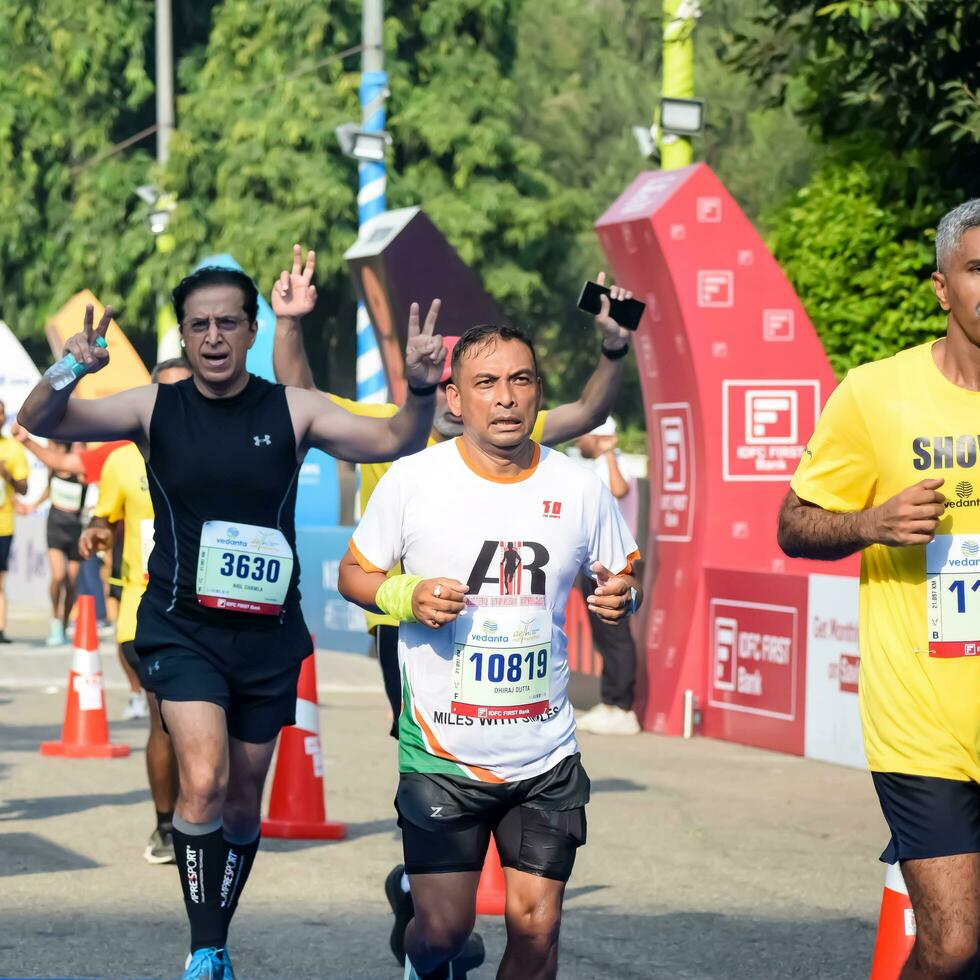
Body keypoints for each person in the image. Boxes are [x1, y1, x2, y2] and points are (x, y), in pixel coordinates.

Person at [17, 246, 444, 980]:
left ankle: (217, 931)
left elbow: (396, 439)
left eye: (227, 323)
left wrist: (421, 389)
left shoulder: (294, 409)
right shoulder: (153, 409)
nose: (213, 337)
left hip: (268, 636)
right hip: (181, 627)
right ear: (184, 336)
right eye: (198, 325)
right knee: (205, 780)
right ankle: (204, 947)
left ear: (251, 330)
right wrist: (69, 367)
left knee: (244, 806)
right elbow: (40, 417)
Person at [338, 323, 642, 980]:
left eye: (520, 380)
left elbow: (622, 575)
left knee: (537, 928)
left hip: (545, 753)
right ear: (455, 400)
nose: (505, 397)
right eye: (486, 383)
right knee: (445, 933)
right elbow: (353, 575)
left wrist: (622, 597)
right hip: (444, 753)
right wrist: (408, 596)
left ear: (537, 392)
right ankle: (416, 937)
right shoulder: (411, 480)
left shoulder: (580, 486)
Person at [273, 248, 635, 738]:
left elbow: (589, 411)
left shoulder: (507, 424)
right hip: (407, 619)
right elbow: (299, 393)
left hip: (507, 627)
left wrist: (614, 349)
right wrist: (290, 324)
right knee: (430, 744)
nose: (453, 395)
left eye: (474, 382)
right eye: (441, 381)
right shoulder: (389, 430)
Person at [777, 199, 980, 980]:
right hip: (920, 719)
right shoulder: (876, 393)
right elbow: (793, 525)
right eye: (975, 269)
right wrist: (873, 521)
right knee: (954, 942)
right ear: (941, 288)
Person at [78, 357, 192, 864]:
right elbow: (103, 519)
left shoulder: (228, 452)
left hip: (216, 611)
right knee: (164, 718)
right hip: (147, 613)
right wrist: (96, 532)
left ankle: (206, 812)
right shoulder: (124, 462)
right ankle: (167, 826)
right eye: (163, 395)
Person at [574, 418, 641, 736]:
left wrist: (610, 453)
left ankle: (623, 708)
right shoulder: (600, 466)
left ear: (600, 438)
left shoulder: (615, 465)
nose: (580, 442)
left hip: (616, 565)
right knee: (604, 635)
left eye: (586, 436)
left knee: (616, 635)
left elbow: (619, 489)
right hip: (598, 563)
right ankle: (611, 703)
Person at [18, 441, 90, 646]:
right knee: (58, 576)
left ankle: (65, 623)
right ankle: (55, 621)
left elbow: (95, 480)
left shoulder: (82, 473)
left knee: (72, 582)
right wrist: (33, 505)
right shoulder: (54, 468)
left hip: (76, 530)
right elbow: (48, 490)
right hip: (55, 529)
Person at [0, 399, 30, 644]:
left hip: (3, 524)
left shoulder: (12, 449)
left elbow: (24, 488)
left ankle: (0, 628)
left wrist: (7, 474)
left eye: (0, 413)